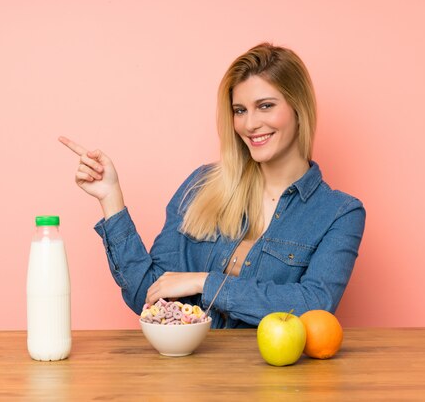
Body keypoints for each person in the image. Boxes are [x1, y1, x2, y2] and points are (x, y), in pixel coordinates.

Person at [59, 42, 366, 329]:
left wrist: (205, 282)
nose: (249, 124)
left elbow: (313, 306)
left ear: (299, 109)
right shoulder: (201, 186)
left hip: (276, 381)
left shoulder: (339, 213)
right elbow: (147, 295)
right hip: (189, 379)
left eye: (266, 106)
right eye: (240, 110)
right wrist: (111, 198)